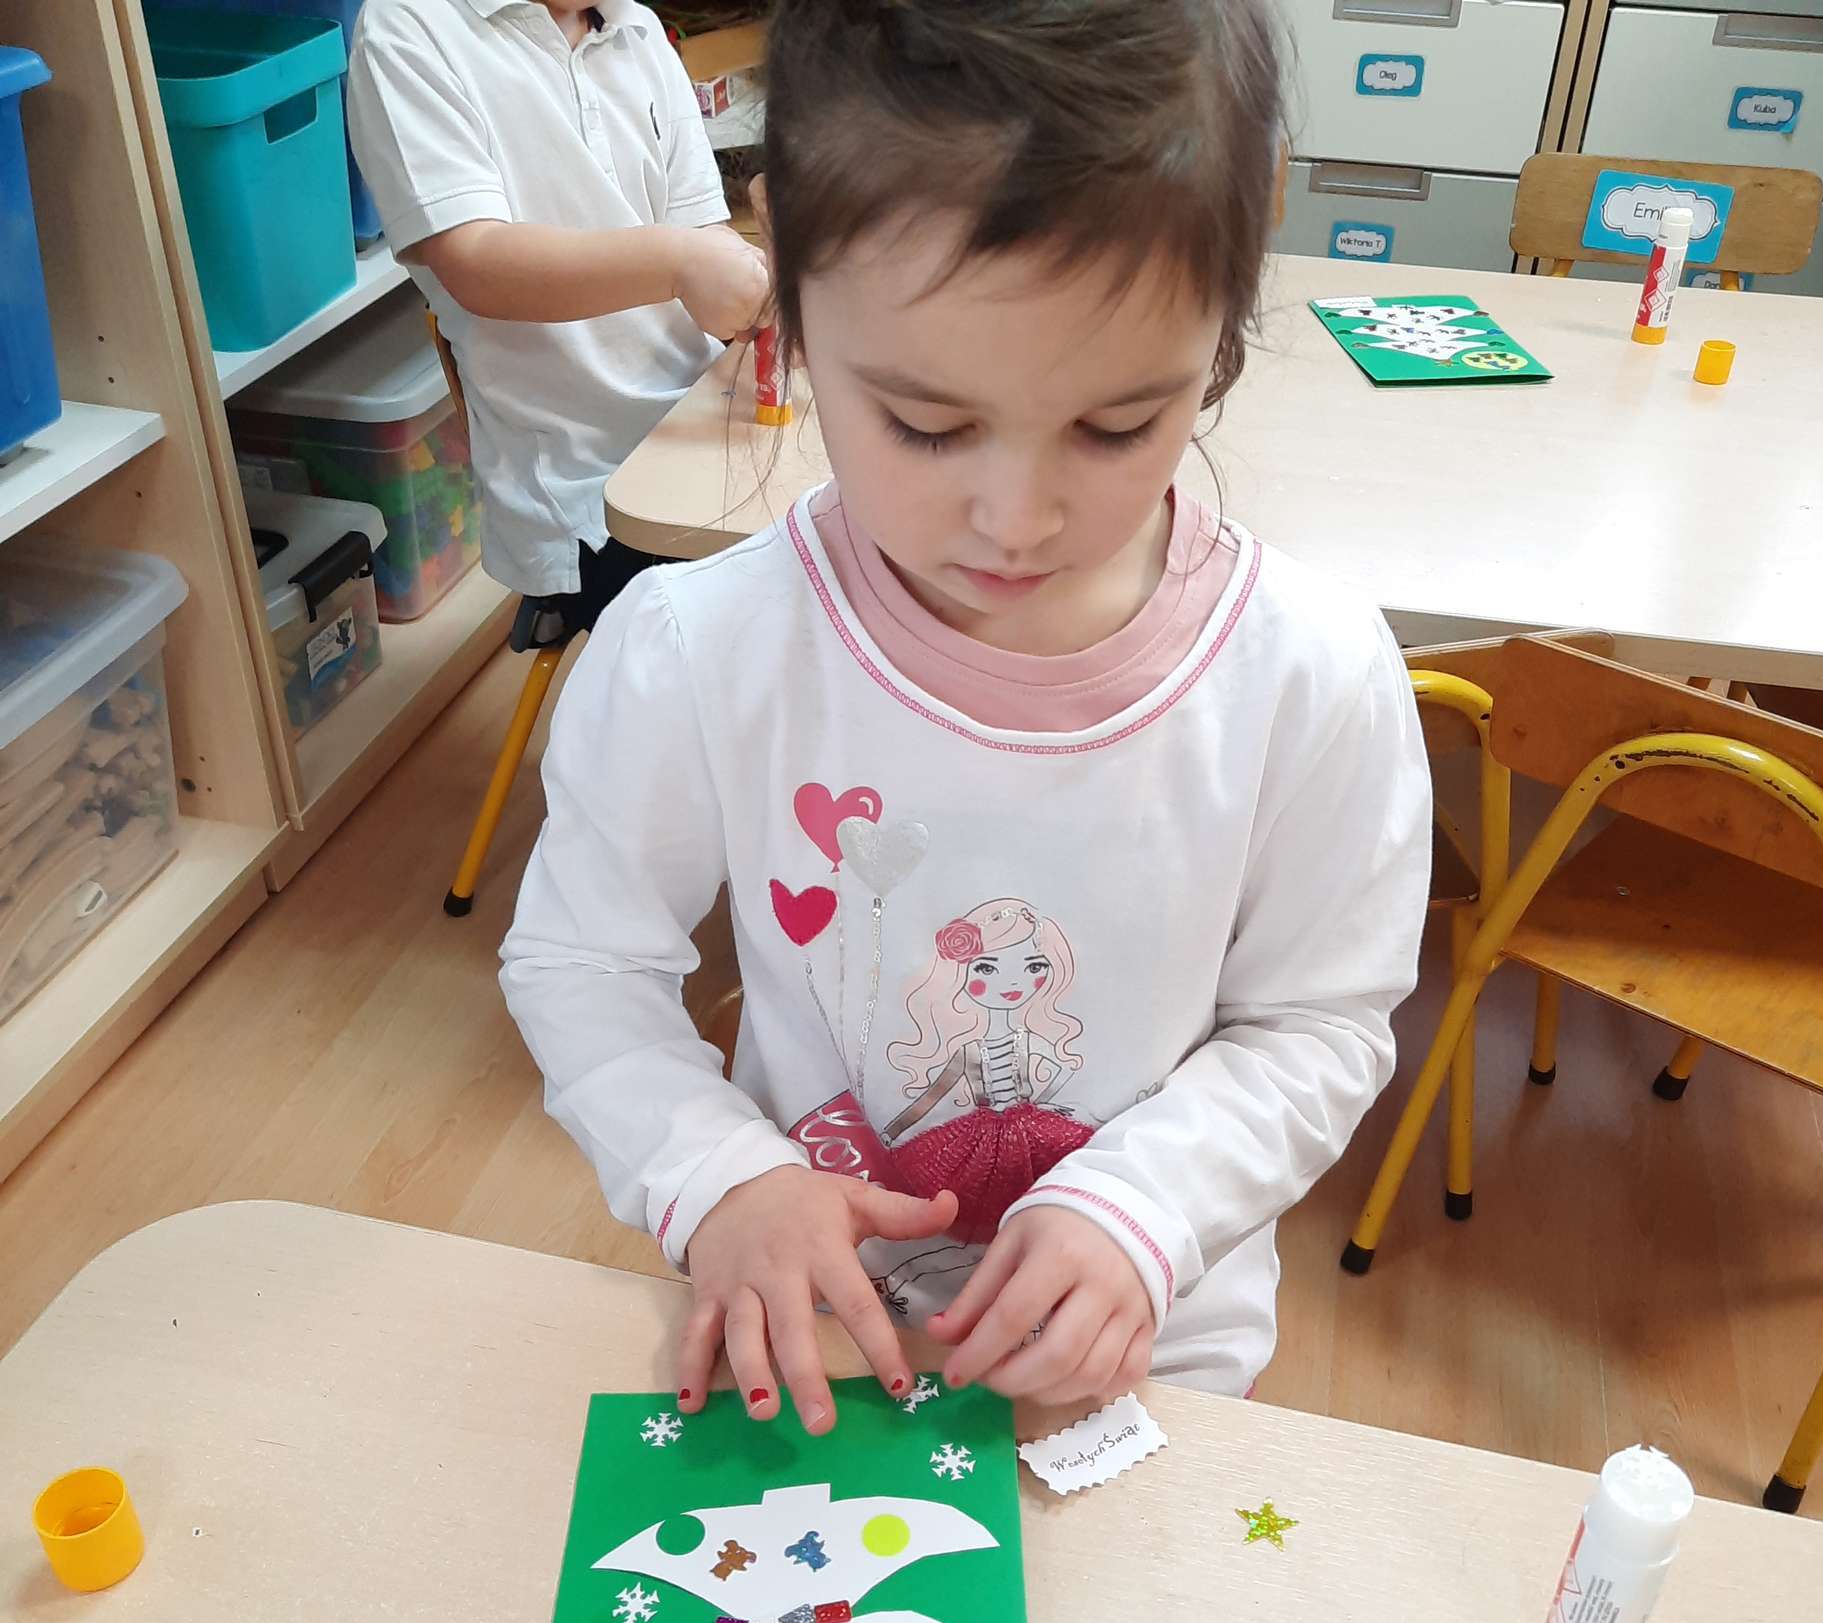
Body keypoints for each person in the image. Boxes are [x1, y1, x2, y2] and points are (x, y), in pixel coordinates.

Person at [500, 0, 1433, 1429]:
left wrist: (1145, 1205)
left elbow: (1317, 1023)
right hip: (814, 1333)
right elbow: (583, 962)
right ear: (787, 297)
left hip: (1146, 1349)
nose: (1017, 517)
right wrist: (723, 1177)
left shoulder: (1309, 676)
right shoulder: (698, 651)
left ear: (1223, 332)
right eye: (928, 426)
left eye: (1117, 425)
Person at [346, 0, 768, 628]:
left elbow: (702, 233)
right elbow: (476, 263)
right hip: (588, 494)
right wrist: (680, 262)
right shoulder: (408, 29)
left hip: (701, 428)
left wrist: (754, 283)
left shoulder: (635, 26)